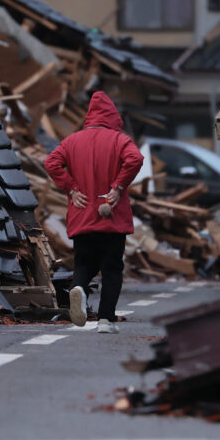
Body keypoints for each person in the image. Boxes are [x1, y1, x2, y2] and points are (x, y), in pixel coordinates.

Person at [44, 91, 143, 333]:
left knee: (84, 264)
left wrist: (71, 189)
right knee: (111, 268)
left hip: (82, 214)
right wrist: (118, 187)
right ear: (112, 116)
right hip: (111, 215)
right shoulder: (120, 141)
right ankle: (106, 320)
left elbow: (51, 162)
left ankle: (79, 288)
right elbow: (135, 159)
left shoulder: (72, 141)